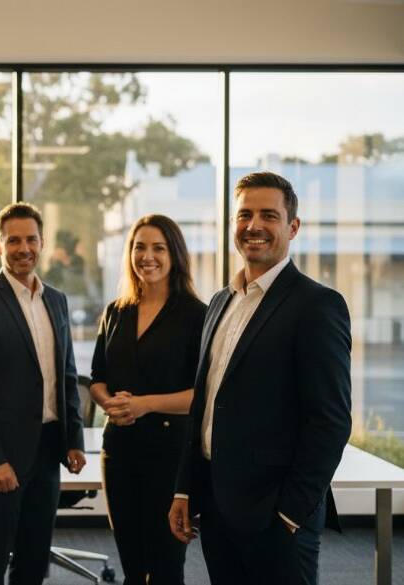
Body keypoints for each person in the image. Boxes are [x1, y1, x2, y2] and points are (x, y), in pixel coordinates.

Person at [168, 171, 352, 585]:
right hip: (217, 507)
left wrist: (290, 514)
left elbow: (331, 420)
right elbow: (205, 405)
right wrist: (185, 489)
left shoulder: (317, 306)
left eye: (268, 215)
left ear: (292, 227)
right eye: (244, 215)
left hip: (276, 516)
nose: (254, 226)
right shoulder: (219, 303)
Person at [0, 202, 87, 585]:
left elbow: (66, 374)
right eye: (13, 240)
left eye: (31, 239)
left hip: (48, 449)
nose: (23, 248)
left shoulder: (56, 300)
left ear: (42, 242)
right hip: (2, 454)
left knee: (33, 560)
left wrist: (73, 438)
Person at [89, 214, 206, 585]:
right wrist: (111, 404)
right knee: (132, 565)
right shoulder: (116, 312)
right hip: (120, 450)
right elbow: (96, 380)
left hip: (171, 456)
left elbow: (202, 397)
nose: (147, 256)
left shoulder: (196, 315)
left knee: (167, 566)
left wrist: (144, 404)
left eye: (158, 247)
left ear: (175, 255)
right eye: (140, 247)